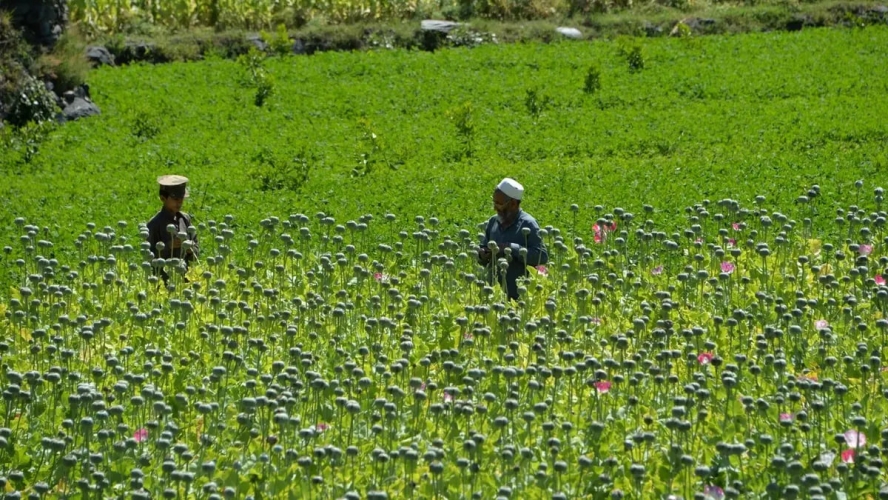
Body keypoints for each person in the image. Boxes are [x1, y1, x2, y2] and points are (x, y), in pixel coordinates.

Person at [478, 177, 549, 301]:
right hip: (493, 296)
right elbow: (483, 249)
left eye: (499, 204)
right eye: (494, 202)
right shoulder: (493, 222)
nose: (495, 208)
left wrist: (511, 248)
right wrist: (482, 255)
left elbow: (541, 256)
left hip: (519, 297)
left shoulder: (528, 224)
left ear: (513, 204)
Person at [146, 175, 199, 283]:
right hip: (163, 281)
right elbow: (148, 257)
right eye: (175, 199)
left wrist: (190, 249)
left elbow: (196, 251)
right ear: (163, 198)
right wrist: (168, 246)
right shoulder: (154, 224)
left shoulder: (185, 219)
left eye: (181, 199)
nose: (179, 202)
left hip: (186, 280)